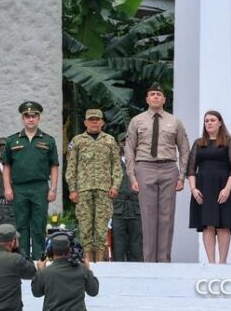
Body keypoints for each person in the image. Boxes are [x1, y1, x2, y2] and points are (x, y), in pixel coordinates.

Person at [125, 83, 189, 263]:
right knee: (148, 216)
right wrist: (132, 176)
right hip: (145, 167)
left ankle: (164, 261)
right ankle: (149, 262)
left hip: (169, 169)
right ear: (147, 99)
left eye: (158, 95)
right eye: (152, 94)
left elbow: (184, 149)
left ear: (164, 99)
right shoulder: (137, 121)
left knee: (166, 217)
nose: (155, 97)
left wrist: (182, 176)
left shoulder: (174, 121)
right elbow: (129, 149)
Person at [2, 101, 59, 258]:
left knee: (38, 225)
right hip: (19, 188)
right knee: (21, 226)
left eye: (34, 116)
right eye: (27, 116)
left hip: (40, 187)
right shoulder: (12, 141)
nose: (30, 119)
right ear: (22, 119)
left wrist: (53, 188)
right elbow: (6, 166)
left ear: (39, 118)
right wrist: (7, 187)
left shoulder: (48, 140)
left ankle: (39, 259)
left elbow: (54, 166)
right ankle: (23, 258)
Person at [65, 108, 121, 262]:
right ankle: (87, 261)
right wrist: (72, 189)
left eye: (97, 119)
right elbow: (71, 167)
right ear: (85, 122)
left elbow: (116, 165)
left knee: (102, 228)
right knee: (85, 227)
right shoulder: (77, 141)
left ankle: (101, 262)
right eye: (91, 119)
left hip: (104, 190)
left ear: (102, 122)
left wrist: (115, 186)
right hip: (83, 190)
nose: (94, 122)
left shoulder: (109, 140)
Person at [187, 110, 231, 264]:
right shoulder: (198, 143)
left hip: (224, 188)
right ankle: (211, 263)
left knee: (224, 225)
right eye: (206, 121)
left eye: (212, 120)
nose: (209, 123)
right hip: (202, 188)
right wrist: (193, 189)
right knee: (207, 225)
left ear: (220, 123)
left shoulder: (229, 142)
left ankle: (222, 263)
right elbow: (191, 169)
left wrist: (227, 189)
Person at [31, 232, 99, 310]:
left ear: (51, 251)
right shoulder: (82, 269)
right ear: (70, 250)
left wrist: (40, 270)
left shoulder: (45, 272)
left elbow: (36, 292)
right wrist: (88, 269)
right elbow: (94, 291)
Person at [111, 132, 143, 262]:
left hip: (136, 207)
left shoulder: (140, 163)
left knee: (136, 246)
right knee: (118, 245)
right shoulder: (113, 163)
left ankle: (138, 276)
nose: (126, 144)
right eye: (123, 141)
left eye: (129, 141)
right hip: (118, 208)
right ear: (119, 144)